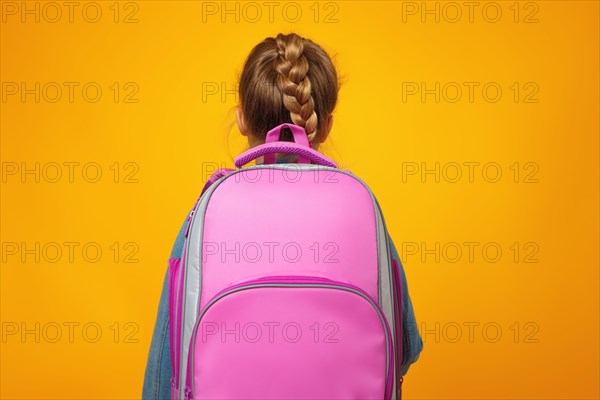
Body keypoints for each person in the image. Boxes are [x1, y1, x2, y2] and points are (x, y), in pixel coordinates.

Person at [142, 32, 423, 400]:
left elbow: (167, 365)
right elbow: (404, 346)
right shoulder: (358, 208)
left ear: (242, 119)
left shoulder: (208, 210)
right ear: (325, 126)